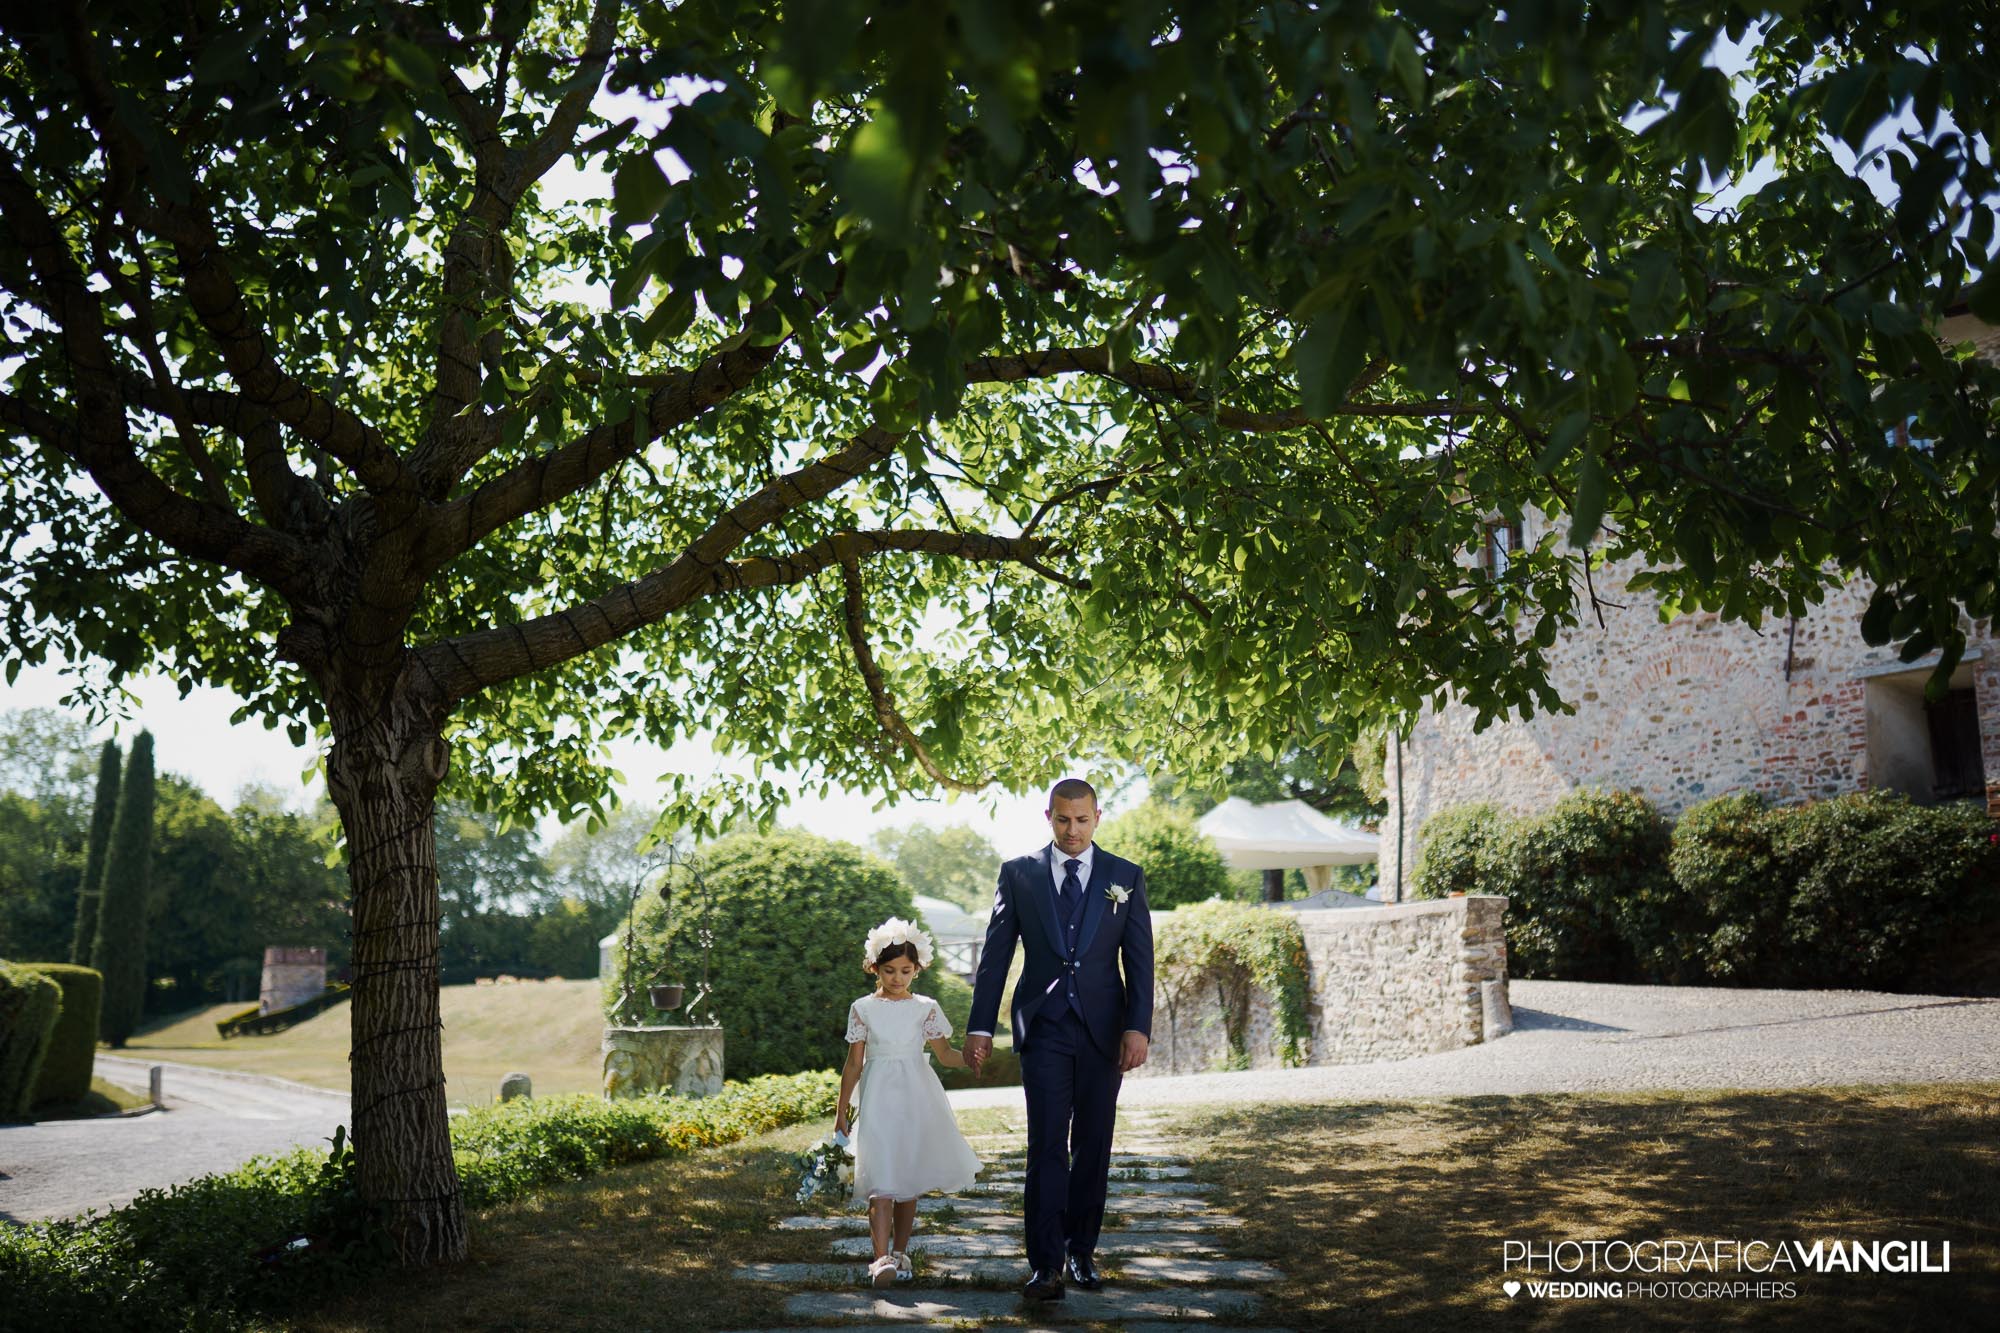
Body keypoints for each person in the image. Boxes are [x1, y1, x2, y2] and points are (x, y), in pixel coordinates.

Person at [964, 777, 1154, 1302]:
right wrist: (980, 1026)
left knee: (1092, 1145)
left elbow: (1139, 960)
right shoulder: (1019, 874)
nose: (1073, 831)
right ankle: (1045, 1264)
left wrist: (1138, 1027)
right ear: (1048, 815)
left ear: (1098, 817)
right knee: (1046, 1146)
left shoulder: (1125, 876)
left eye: (1083, 820)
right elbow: (996, 956)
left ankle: (1081, 1251)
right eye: (1063, 819)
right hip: (1044, 1027)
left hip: (1104, 1032)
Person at [835, 916, 984, 1288]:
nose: (897, 978)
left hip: (918, 1096)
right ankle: (880, 1258)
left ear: (917, 969)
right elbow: (854, 1063)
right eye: (889, 970)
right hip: (879, 1097)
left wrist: (970, 1057)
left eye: (905, 970)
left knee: (908, 1179)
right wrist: (842, 1110)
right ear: (875, 968)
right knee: (881, 1176)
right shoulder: (863, 1008)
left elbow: (945, 1054)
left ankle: (900, 1252)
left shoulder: (926, 1008)